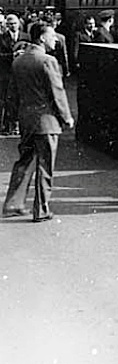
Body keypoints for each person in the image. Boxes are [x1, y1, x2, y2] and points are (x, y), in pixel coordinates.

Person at [1, 20, 74, 221]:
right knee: (45, 166)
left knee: (24, 162)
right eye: (52, 36)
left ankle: (12, 204)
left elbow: (12, 94)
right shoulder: (47, 61)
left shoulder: (19, 61)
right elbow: (57, 92)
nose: (55, 40)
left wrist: (13, 117)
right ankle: (41, 210)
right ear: (42, 38)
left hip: (27, 121)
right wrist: (66, 117)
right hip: (47, 122)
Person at [0, 14, 30, 135]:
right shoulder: (1, 38)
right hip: (6, 73)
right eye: (10, 24)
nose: (13, 26)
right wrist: (12, 56)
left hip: (21, 73)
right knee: (6, 99)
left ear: (19, 24)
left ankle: (18, 125)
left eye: (15, 23)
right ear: (6, 25)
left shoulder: (26, 36)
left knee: (20, 99)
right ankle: (6, 125)